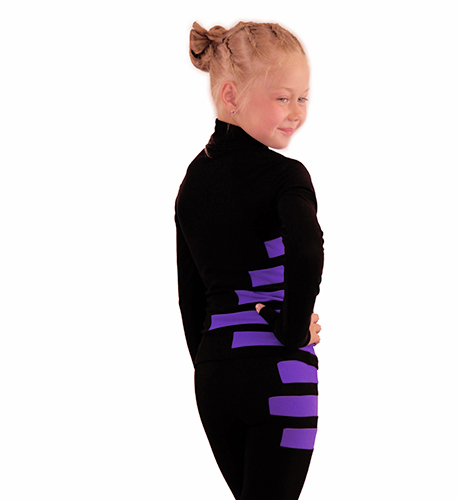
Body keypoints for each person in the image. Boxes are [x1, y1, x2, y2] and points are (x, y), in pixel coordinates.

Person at [175, 21, 324, 500]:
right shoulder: (286, 176)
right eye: (283, 97)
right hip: (280, 373)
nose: (297, 112)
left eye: (303, 98)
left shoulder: (192, 183)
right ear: (231, 95)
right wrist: (293, 330)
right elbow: (306, 251)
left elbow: (190, 296)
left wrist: (214, 364)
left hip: (214, 376)